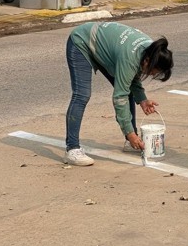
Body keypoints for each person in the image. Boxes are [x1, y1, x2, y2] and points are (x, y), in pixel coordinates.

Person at [64, 21, 173, 166]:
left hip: (105, 47)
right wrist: (129, 132)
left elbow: (131, 78)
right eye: (154, 71)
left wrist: (143, 100)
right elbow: (119, 97)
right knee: (82, 94)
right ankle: (72, 149)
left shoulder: (150, 51)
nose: (152, 74)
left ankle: (130, 142)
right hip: (82, 41)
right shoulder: (131, 57)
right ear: (148, 61)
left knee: (127, 90)